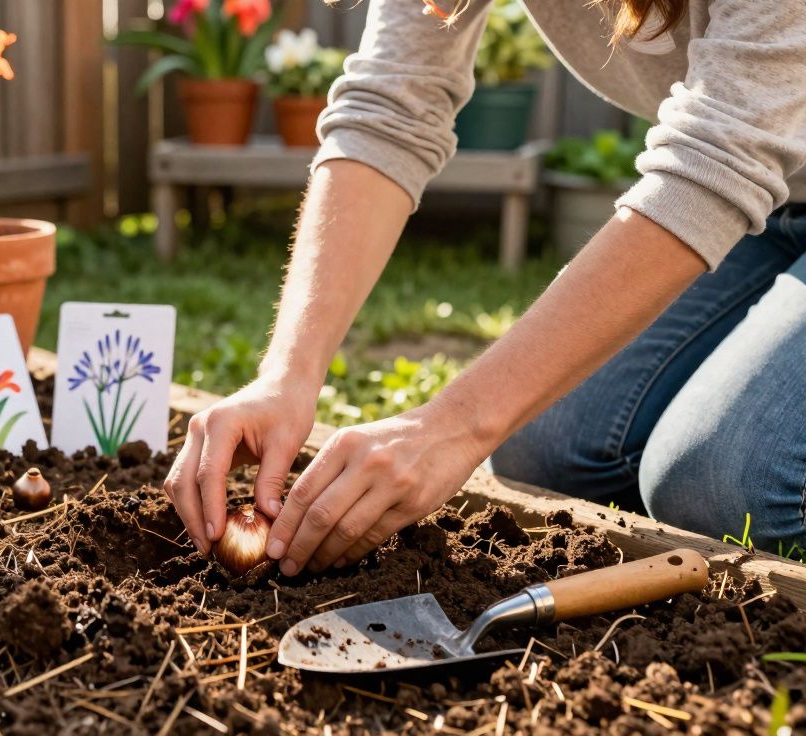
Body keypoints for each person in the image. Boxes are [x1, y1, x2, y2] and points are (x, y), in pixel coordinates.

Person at [163, 0, 806, 576]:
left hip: (745, 171)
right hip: (767, 200)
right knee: (543, 447)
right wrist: (288, 374)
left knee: (725, 486)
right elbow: (390, 105)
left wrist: (456, 425)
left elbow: (721, 154)